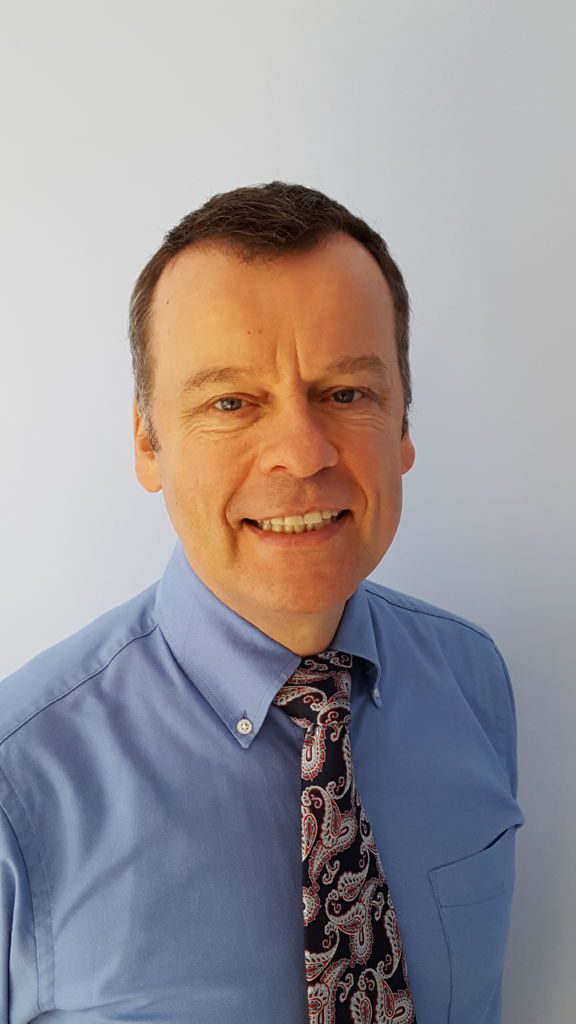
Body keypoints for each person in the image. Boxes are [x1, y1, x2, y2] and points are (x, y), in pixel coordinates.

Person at [0, 181, 525, 1024]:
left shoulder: (473, 679)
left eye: (346, 393)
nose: (301, 454)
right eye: (231, 402)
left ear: (402, 425)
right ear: (147, 442)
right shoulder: (18, 784)